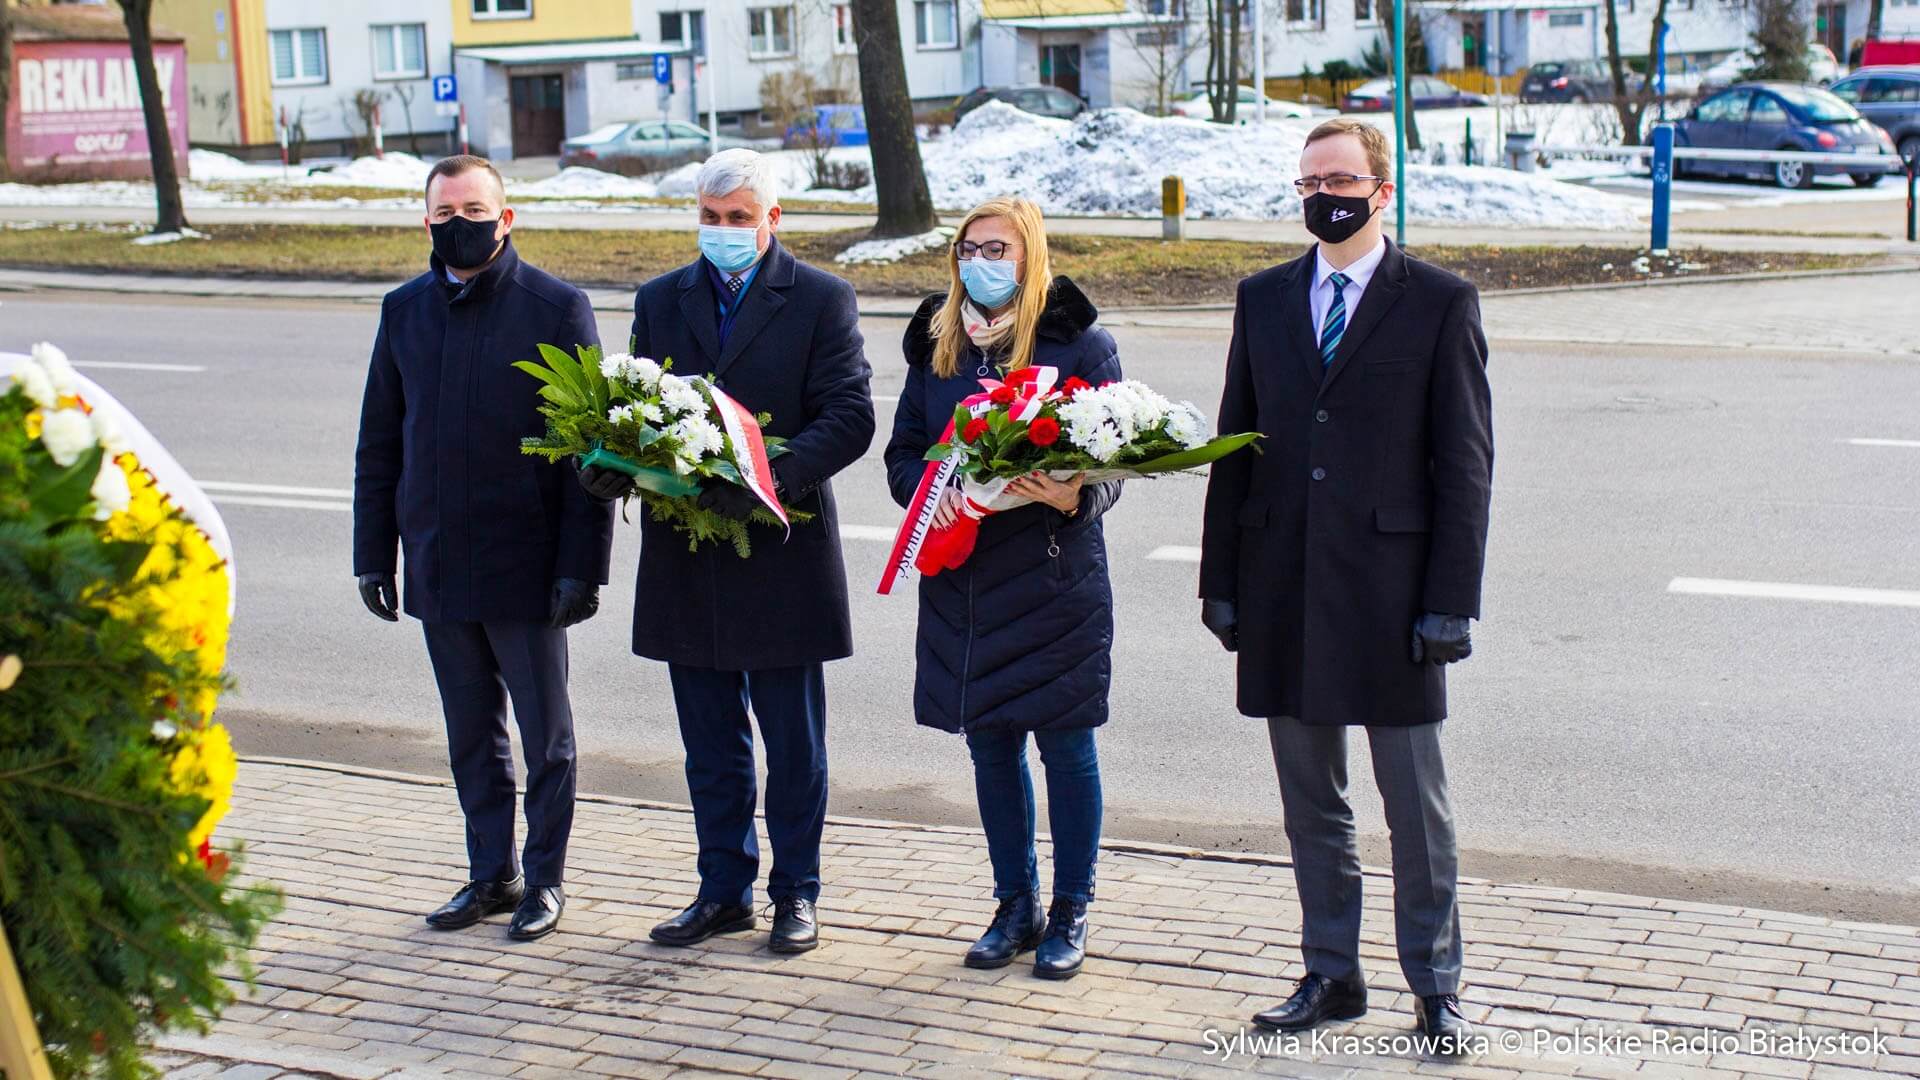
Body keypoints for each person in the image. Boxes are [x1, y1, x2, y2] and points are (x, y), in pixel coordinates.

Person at [1197, 119, 1494, 1050]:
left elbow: (1467, 464)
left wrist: (1452, 600)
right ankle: (1332, 971)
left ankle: (1435, 985)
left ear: (1381, 189)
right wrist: (1221, 578)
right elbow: (1234, 443)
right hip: (1283, 584)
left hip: (1393, 595)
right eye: (1310, 178)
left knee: (1416, 810)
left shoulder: (1440, 301)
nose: (1326, 191)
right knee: (1311, 803)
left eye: (1343, 176)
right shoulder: (1265, 297)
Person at [579, 149, 874, 955]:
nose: (724, 233)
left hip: (781, 550)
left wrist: (762, 480)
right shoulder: (660, 299)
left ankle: (796, 895)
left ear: (772, 221)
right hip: (689, 558)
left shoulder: (820, 299)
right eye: (710, 219)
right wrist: (607, 463)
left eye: (739, 219)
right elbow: (635, 408)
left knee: (794, 745)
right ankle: (722, 890)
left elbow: (849, 417)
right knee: (709, 744)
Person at [353, 155, 614, 942]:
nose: (457, 224)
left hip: (527, 566)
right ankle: (489, 876)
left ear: (507, 219)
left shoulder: (558, 308)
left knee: (547, 739)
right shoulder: (403, 311)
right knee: (470, 733)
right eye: (442, 213)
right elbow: (379, 442)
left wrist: (582, 566)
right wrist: (374, 554)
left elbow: (588, 453)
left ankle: (545, 881)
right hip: (437, 560)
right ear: (424, 221)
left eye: (473, 209)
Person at [883, 197, 1121, 981]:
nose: (981, 261)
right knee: (990, 745)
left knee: (1065, 746)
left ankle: (1071, 909)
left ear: (1032, 256)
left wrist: (1071, 493)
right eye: (968, 247)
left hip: (1053, 577)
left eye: (999, 247)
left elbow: (1118, 461)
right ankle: (1013, 904)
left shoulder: (1081, 345)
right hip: (967, 580)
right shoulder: (938, 347)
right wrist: (931, 488)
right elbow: (903, 454)